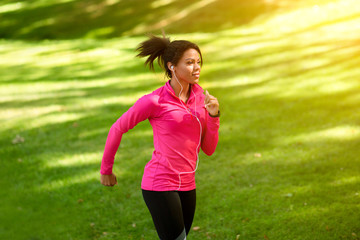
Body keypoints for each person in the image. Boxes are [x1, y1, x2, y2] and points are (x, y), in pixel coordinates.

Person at [100, 33, 220, 240]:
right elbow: (117, 128)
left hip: (188, 184)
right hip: (160, 183)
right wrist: (106, 170)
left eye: (199, 62)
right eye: (189, 62)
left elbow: (208, 149)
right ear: (172, 66)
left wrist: (214, 116)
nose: (197, 67)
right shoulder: (154, 101)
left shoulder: (202, 99)